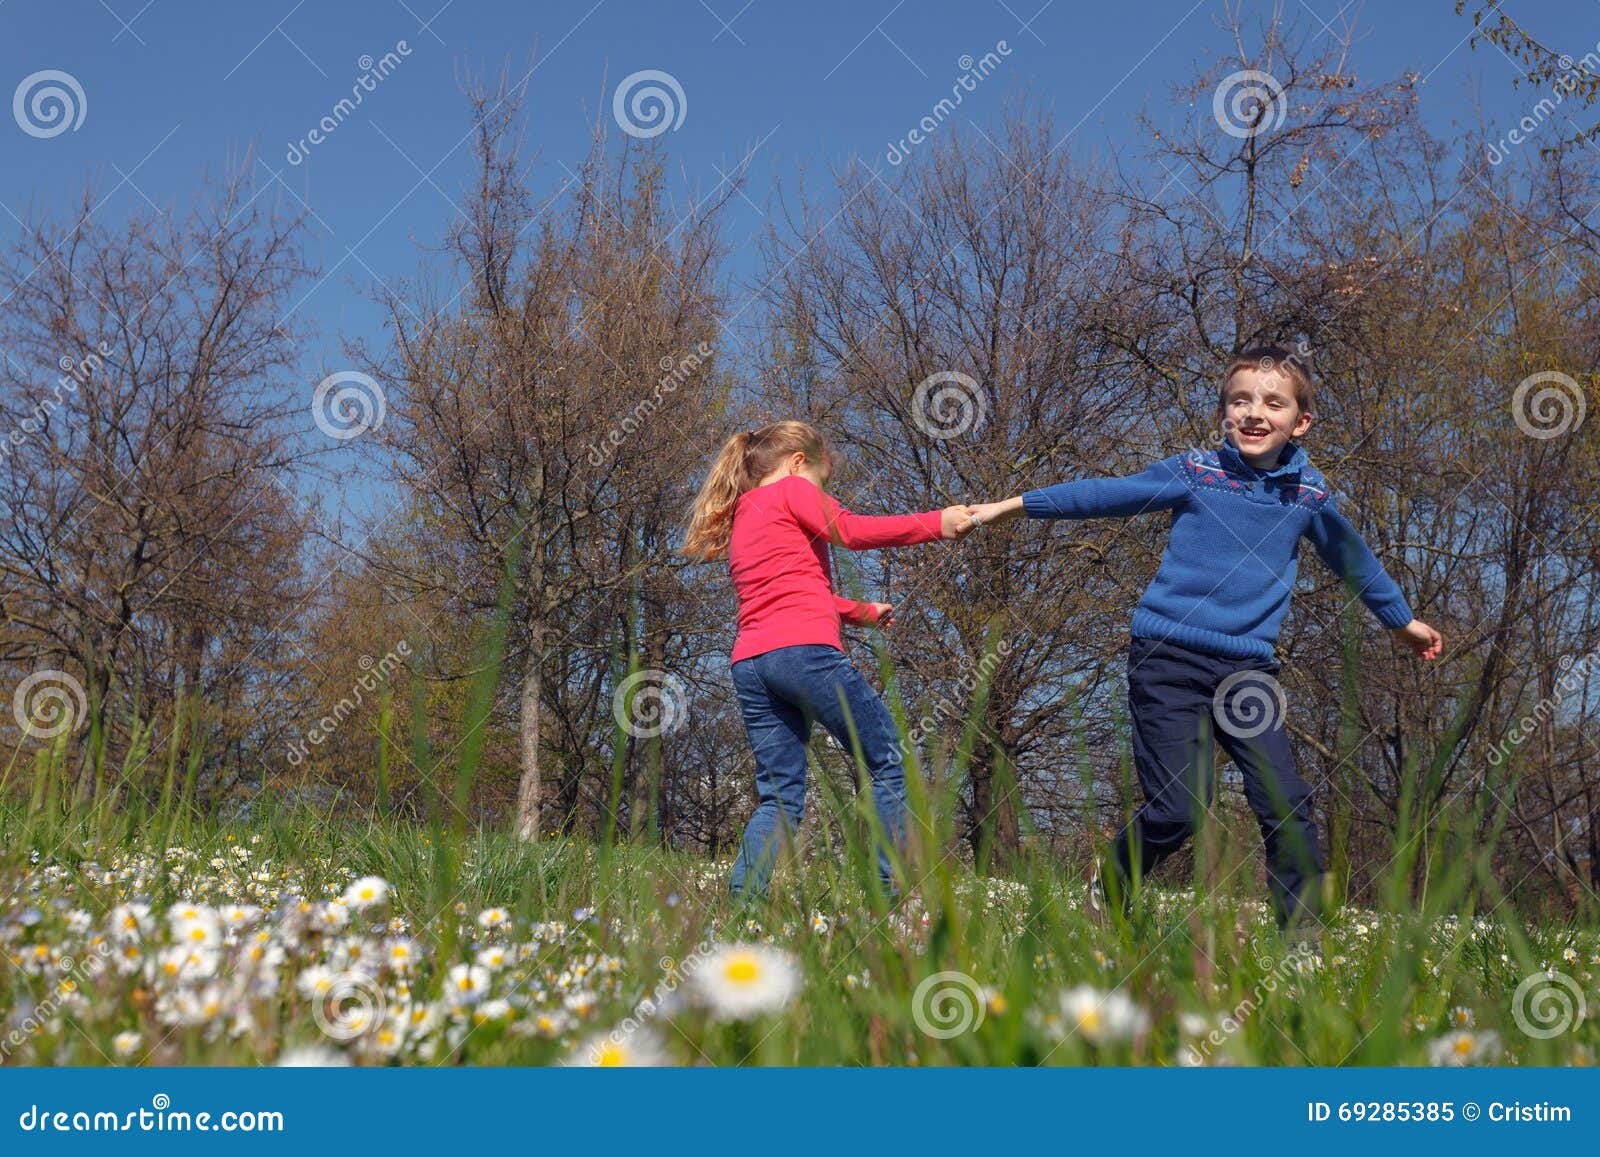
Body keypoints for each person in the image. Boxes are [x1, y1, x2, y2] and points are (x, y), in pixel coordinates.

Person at [965, 346, 1442, 939]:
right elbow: (1106, 494)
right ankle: (1113, 878)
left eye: (1273, 402)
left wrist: (1400, 621)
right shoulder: (1195, 472)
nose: (1254, 413)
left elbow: (1351, 557)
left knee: (1285, 799)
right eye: (1240, 400)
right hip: (1167, 659)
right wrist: (1013, 507)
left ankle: (1304, 940)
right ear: (1223, 411)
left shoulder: (1308, 497)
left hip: (1247, 672)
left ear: (1301, 421)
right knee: (1179, 807)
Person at [683, 420, 973, 902]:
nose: (822, 492)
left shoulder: (742, 514)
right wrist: (936, 524)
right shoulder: (794, 489)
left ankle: (741, 907)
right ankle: (886, 897)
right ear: (798, 463)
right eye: (824, 481)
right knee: (890, 761)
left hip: (752, 664)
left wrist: (860, 612)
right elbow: (851, 531)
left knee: (779, 797)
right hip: (805, 655)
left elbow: (785, 591)